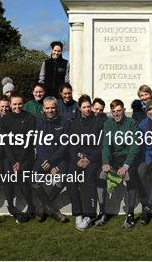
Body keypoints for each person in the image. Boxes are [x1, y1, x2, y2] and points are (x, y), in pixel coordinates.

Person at [95, 99, 140, 229]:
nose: (116, 114)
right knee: (101, 176)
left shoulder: (132, 124)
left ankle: (130, 215)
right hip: (114, 159)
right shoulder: (108, 124)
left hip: (128, 159)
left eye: (119, 111)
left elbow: (134, 146)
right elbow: (106, 145)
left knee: (129, 177)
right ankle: (103, 212)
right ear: (111, 112)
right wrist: (105, 162)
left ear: (124, 110)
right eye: (114, 111)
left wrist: (126, 166)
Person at [67, 95, 103, 231]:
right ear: (79, 108)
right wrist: (78, 160)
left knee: (89, 179)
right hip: (78, 159)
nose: (87, 109)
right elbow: (71, 145)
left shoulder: (99, 122)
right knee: (71, 178)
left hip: (93, 159)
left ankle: (89, 214)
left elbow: (101, 145)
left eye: (89, 106)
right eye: (84, 107)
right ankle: (78, 213)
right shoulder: (74, 123)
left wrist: (89, 159)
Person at [31, 96, 70, 223]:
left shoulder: (65, 122)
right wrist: (46, 161)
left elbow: (64, 146)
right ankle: (51, 210)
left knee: (62, 180)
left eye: (53, 107)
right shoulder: (38, 122)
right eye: (47, 108)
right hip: (43, 159)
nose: (50, 110)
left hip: (59, 160)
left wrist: (52, 163)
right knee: (33, 180)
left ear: (57, 108)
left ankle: (42, 208)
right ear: (43, 109)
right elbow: (38, 144)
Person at [0, 91, 37, 223]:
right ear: (10, 104)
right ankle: (11, 205)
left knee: (21, 176)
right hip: (10, 156)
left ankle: (31, 207)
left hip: (26, 156)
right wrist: (14, 161)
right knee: (8, 175)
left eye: (20, 104)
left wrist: (20, 161)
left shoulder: (30, 118)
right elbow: (6, 143)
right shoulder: (5, 120)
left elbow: (29, 142)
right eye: (14, 104)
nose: (17, 106)